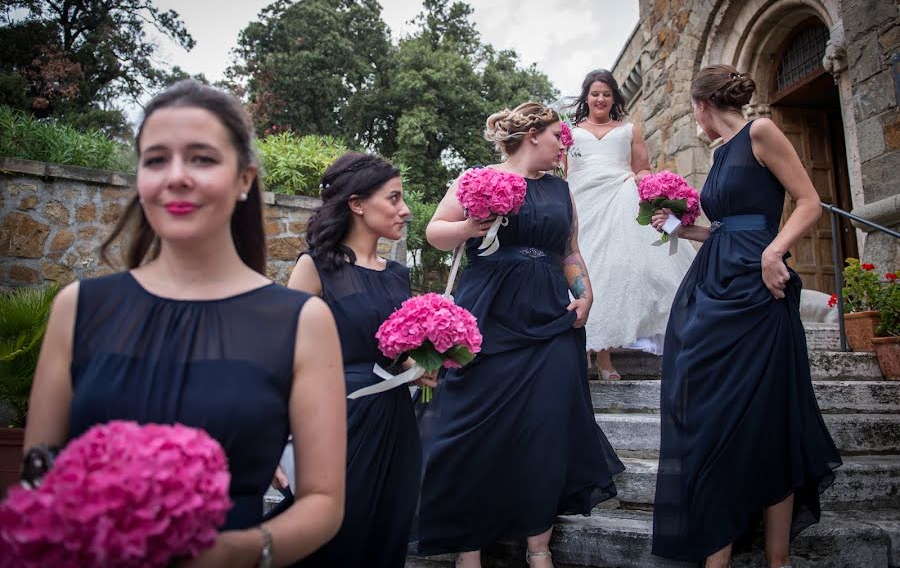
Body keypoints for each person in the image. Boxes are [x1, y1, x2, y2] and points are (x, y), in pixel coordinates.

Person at [24, 80, 347, 567]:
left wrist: (237, 551)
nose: (176, 176)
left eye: (201, 158)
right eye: (156, 159)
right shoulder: (79, 306)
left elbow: (323, 502)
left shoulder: (300, 322)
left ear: (244, 179)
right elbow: (39, 472)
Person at [417, 102, 624, 568]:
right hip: (489, 313)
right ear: (532, 134)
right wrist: (471, 226)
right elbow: (434, 232)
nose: (562, 146)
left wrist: (584, 294)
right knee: (473, 425)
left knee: (547, 427)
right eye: (557, 137)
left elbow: (569, 251)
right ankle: (468, 549)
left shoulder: (560, 189)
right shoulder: (477, 178)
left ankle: (538, 548)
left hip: (551, 317)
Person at [650, 65, 841, 568]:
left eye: (694, 109)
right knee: (706, 411)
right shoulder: (717, 154)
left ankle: (777, 560)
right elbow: (723, 231)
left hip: (760, 292)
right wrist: (676, 227)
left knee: (770, 421)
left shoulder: (761, 131)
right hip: (716, 283)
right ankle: (719, 544)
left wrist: (774, 253)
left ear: (702, 105)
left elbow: (809, 202)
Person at [284, 152, 436, 568]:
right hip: (339, 417)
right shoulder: (315, 267)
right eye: (394, 198)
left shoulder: (398, 274)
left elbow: (390, 350)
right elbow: (280, 351)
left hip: (394, 417)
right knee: (338, 535)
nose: (405, 210)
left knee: (389, 528)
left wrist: (419, 367)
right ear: (357, 204)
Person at [564, 69, 695, 380]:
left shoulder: (628, 130)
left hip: (620, 196)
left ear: (614, 99)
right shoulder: (570, 131)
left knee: (614, 269)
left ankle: (605, 355)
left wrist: (646, 184)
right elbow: (563, 169)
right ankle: (580, 350)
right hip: (582, 201)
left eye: (606, 94)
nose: (600, 99)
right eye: (595, 93)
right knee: (583, 268)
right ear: (586, 97)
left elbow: (643, 167)